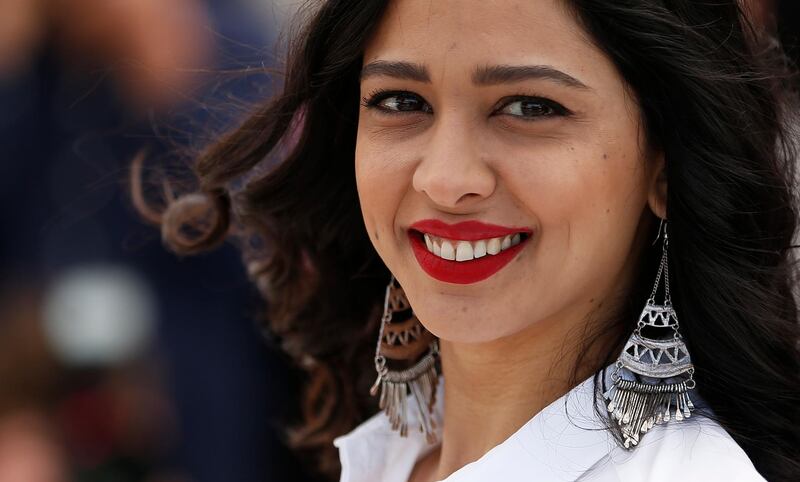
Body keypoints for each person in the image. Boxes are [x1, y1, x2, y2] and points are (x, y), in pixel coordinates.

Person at [135, 0, 800, 481]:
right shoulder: (386, 455)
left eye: (530, 107)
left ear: (664, 165)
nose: (446, 179)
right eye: (401, 101)